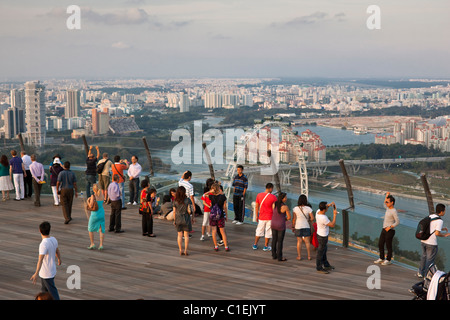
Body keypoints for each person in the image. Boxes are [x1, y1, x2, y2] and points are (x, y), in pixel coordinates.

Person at [30, 221, 61, 300]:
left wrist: (36, 273)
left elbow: (40, 260)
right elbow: (57, 251)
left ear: (40, 231)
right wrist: (59, 259)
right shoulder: (53, 239)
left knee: (52, 292)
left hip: (46, 273)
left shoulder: (43, 244)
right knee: (44, 291)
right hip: (51, 270)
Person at [417, 203, 449, 278]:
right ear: (441, 211)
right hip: (431, 243)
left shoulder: (430, 216)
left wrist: (443, 228)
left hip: (423, 240)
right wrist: (444, 235)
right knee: (430, 260)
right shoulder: (440, 221)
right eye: (444, 210)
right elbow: (437, 233)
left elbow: (431, 227)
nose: (445, 212)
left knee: (424, 257)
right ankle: (427, 275)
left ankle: (420, 272)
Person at [374, 192, 400, 265]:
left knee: (388, 245)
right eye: (386, 202)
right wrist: (386, 196)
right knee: (380, 244)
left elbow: (397, 222)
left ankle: (388, 260)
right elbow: (384, 203)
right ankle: (381, 258)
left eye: (388, 202)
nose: (386, 203)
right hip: (384, 229)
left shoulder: (394, 211)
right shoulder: (387, 208)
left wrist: (390, 227)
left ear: (392, 203)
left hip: (390, 230)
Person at [253, 183, 277, 251]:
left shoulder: (259, 195)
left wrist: (257, 215)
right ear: (271, 188)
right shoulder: (273, 197)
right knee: (268, 231)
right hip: (270, 217)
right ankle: (265, 246)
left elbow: (257, 206)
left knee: (259, 231)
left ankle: (255, 244)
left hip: (261, 216)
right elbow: (274, 208)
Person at [315, 201, 338, 274]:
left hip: (319, 234)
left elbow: (323, 207)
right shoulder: (324, 218)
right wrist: (334, 215)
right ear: (324, 209)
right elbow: (332, 225)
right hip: (323, 236)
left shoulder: (318, 212)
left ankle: (326, 264)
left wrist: (330, 205)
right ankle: (319, 267)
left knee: (324, 250)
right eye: (326, 207)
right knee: (320, 252)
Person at [292, 194, 314, 261]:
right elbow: (312, 218)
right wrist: (308, 219)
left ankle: (299, 256)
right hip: (306, 226)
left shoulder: (295, 208)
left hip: (298, 226)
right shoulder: (308, 208)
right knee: (307, 242)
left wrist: (293, 226)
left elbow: (294, 219)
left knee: (299, 241)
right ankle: (309, 256)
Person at [209, 182, 230, 252]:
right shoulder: (223, 197)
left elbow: (204, 195)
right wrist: (226, 216)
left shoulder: (211, 196)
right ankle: (226, 247)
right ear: (219, 189)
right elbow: (225, 207)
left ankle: (216, 246)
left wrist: (210, 191)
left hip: (212, 216)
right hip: (220, 216)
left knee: (214, 231)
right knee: (223, 232)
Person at [271, 192, 291, 261]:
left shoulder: (274, 204)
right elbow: (289, 217)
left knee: (274, 239)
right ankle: (280, 257)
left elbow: (273, 212)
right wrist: (283, 219)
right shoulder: (285, 207)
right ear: (282, 198)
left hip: (273, 224)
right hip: (280, 225)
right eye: (285, 197)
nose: (286, 198)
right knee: (280, 241)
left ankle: (274, 255)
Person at [173, 186, 192, 256]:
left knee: (179, 235)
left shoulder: (175, 201)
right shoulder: (187, 200)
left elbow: (174, 212)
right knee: (186, 235)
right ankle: (186, 250)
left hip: (178, 218)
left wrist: (174, 220)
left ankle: (180, 249)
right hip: (186, 218)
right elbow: (189, 211)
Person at [87, 184, 106, 250]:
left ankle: (92, 243)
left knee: (90, 228)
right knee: (101, 229)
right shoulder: (102, 195)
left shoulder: (93, 196)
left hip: (95, 214)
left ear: (93, 189)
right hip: (101, 213)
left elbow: (90, 206)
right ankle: (101, 245)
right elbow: (102, 203)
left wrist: (88, 201)